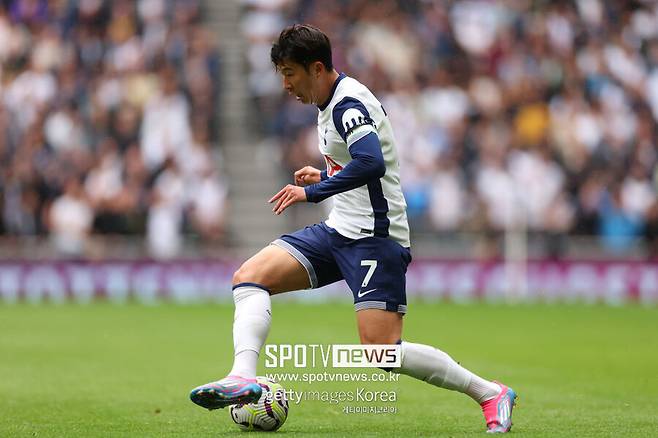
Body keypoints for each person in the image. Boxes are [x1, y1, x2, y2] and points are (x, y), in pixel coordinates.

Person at [189, 24, 517, 433]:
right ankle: (242, 377)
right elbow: (356, 160)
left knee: (381, 353)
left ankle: (490, 392)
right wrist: (325, 171)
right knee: (249, 278)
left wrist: (315, 192)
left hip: (376, 239)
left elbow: (372, 162)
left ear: (318, 67)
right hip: (339, 230)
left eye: (290, 73)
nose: (286, 84)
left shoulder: (348, 104)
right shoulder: (329, 103)